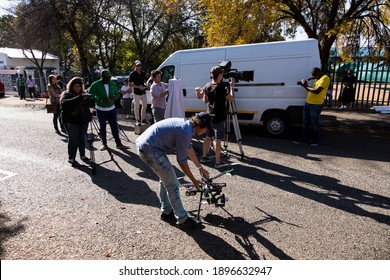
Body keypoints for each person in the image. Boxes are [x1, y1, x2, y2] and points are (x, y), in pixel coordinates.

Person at [135, 112, 212, 229]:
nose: (205, 132)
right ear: (200, 126)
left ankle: (166, 211)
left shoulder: (186, 126)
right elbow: (182, 161)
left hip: (147, 145)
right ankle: (182, 219)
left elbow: (189, 149)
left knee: (166, 178)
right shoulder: (185, 131)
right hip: (150, 149)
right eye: (206, 129)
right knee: (173, 183)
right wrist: (194, 181)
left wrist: (200, 168)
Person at [196, 66, 235, 168]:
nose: (223, 76)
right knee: (218, 139)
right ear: (218, 75)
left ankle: (204, 157)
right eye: (222, 74)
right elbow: (231, 99)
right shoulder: (222, 87)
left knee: (208, 136)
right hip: (219, 116)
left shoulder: (207, 85)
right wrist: (232, 87)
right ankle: (218, 162)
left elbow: (203, 99)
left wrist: (198, 92)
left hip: (209, 115)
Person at [88, 69, 129, 151]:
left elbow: (117, 93)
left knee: (114, 126)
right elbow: (90, 95)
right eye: (106, 78)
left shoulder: (112, 83)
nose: (108, 80)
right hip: (101, 109)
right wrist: (100, 100)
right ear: (101, 77)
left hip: (111, 109)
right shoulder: (95, 84)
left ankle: (118, 144)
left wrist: (115, 97)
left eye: (109, 78)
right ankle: (104, 144)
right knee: (102, 127)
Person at [293, 67, 330, 147]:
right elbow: (312, 89)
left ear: (319, 72)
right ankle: (304, 138)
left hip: (316, 104)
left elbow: (317, 91)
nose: (314, 76)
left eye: (315, 75)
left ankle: (316, 140)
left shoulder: (325, 78)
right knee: (305, 122)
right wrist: (305, 84)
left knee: (314, 123)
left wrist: (305, 86)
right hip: (308, 103)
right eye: (313, 75)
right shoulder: (318, 79)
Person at [60, 77, 92, 166]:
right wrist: (79, 97)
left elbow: (88, 106)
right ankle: (71, 158)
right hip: (71, 121)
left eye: (79, 86)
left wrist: (90, 99)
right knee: (73, 139)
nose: (78, 88)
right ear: (72, 86)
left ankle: (82, 155)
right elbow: (65, 104)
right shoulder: (67, 94)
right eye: (76, 86)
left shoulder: (83, 94)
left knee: (82, 138)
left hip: (83, 120)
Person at [129, 60, 147, 125]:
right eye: (137, 65)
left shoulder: (143, 73)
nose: (139, 67)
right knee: (136, 106)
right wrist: (138, 87)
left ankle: (143, 119)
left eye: (139, 65)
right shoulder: (132, 74)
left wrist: (145, 85)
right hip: (136, 92)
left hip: (143, 91)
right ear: (135, 65)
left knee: (145, 105)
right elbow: (130, 84)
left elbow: (144, 81)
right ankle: (137, 119)